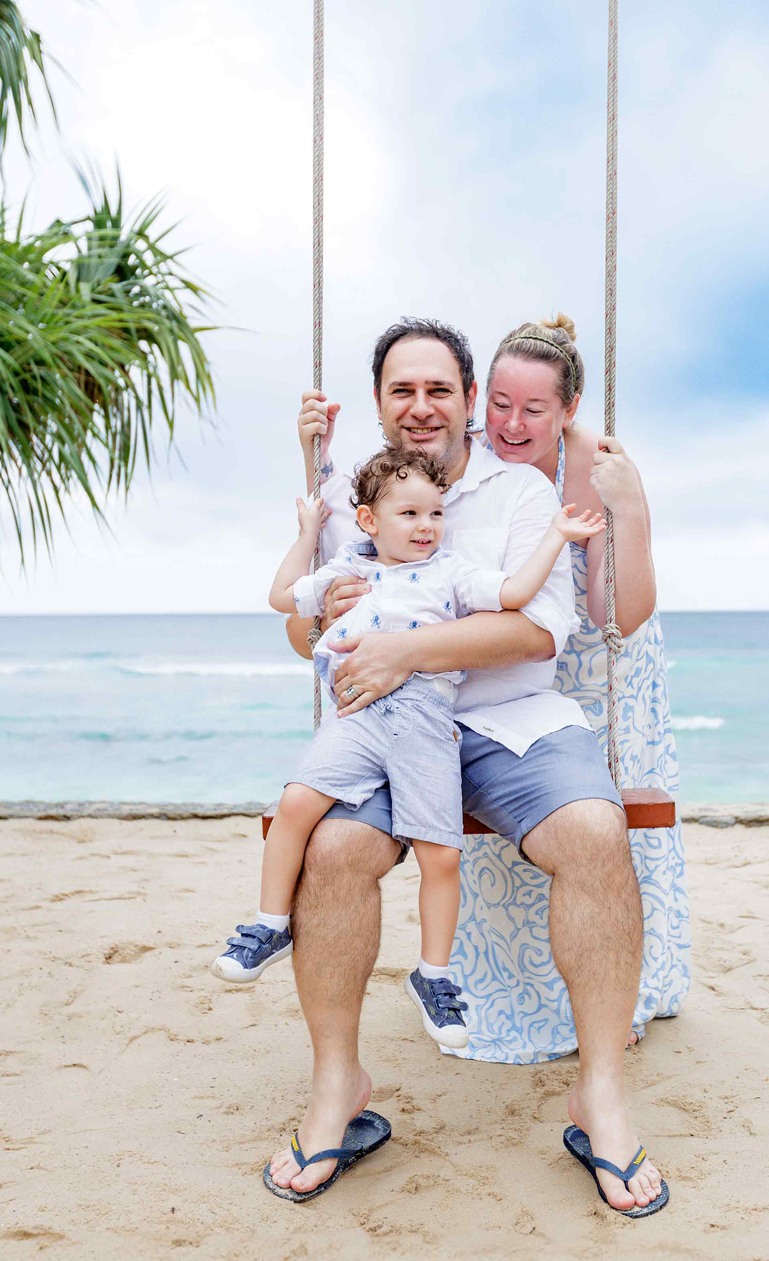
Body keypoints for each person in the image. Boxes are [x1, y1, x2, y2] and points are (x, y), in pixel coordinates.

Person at [262, 318, 668, 1217]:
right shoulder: (355, 499)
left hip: (510, 719)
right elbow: (304, 636)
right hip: (390, 726)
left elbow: (537, 629)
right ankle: (340, 1086)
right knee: (330, 854)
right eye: (401, 390)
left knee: (598, 832)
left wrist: (407, 650)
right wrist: (328, 607)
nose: (420, 407)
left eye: (438, 389)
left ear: (469, 401)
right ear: (378, 403)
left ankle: (597, 1093)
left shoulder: (520, 491)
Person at [214, 445, 605, 1058]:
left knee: (439, 856)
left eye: (436, 513)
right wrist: (309, 531)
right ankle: (269, 923)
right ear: (369, 521)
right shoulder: (348, 569)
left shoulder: (451, 571)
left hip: (424, 717)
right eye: (410, 514)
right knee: (295, 805)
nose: (427, 527)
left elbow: (515, 594)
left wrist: (557, 535)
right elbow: (283, 597)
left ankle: (434, 972)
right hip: (359, 713)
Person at [473, 314, 692, 1051]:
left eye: (533, 409)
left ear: (566, 409)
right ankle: (509, 986)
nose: (510, 423)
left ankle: (616, 992)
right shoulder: (476, 463)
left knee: (603, 824)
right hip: (520, 656)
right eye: (498, 403)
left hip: (605, 664)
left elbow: (619, 612)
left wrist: (627, 507)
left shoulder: (598, 465)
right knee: (516, 835)